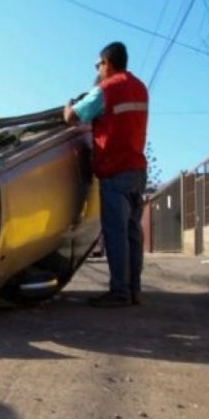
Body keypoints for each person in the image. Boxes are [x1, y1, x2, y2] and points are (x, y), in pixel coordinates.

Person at [63, 42, 148, 307]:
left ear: (107, 63)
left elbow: (73, 117)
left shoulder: (106, 90)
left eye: (98, 65)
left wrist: (68, 105)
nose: (98, 70)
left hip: (115, 171)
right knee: (133, 233)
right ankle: (134, 290)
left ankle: (119, 293)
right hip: (137, 168)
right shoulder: (140, 88)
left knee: (116, 233)